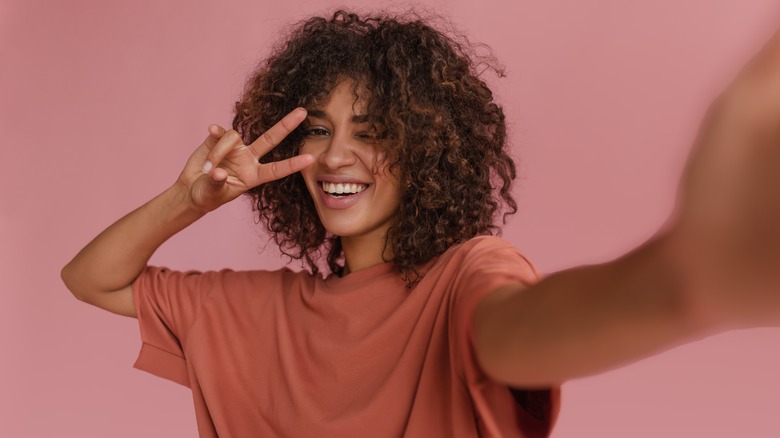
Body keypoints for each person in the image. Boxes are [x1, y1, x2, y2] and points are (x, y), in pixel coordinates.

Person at [61, 9, 780, 438]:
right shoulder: (257, 311)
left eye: (372, 131)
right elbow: (90, 279)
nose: (335, 155)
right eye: (318, 129)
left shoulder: (466, 277)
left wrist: (680, 286)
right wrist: (188, 201)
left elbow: (519, 333)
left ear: (427, 149)